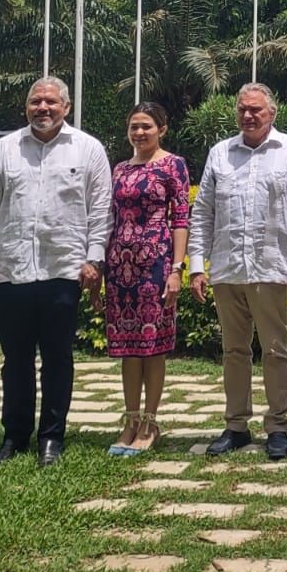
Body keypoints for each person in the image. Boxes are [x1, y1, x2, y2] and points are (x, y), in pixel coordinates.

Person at [0, 76, 111, 468]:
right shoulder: (4, 150)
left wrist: (94, 259)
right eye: (35, 102)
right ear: (26, 107)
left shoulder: (88, 149)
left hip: (63, 270)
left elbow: (100, 211)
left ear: (67, 107)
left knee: (58, 358)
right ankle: (14, 437)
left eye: (50, 102)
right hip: (11, 271)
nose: (42, 108)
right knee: (16, 360)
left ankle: (51, 439)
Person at [189, 83, 287, 461]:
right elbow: (203, 213)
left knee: (276, 351)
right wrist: (197, 266)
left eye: (256, 110)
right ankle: (236, 425)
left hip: (271, 268)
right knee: (233, 351)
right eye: (243, 109)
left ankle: (278, 427)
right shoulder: (220, 153)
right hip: (227, 269)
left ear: (272, 113)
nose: (248, 116)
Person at [101, 102, 191, 455]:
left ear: (162, 129)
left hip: (156, 264)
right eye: (134, 126)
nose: (140, 133)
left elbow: (181, 218)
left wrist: (176, 270)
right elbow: (110, 215)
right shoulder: (120, 168)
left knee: (153, 347)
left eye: (147, 127)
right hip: (120, 266)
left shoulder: (173, 165)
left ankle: (151, 421)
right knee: (128, 348)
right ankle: (130, 419)